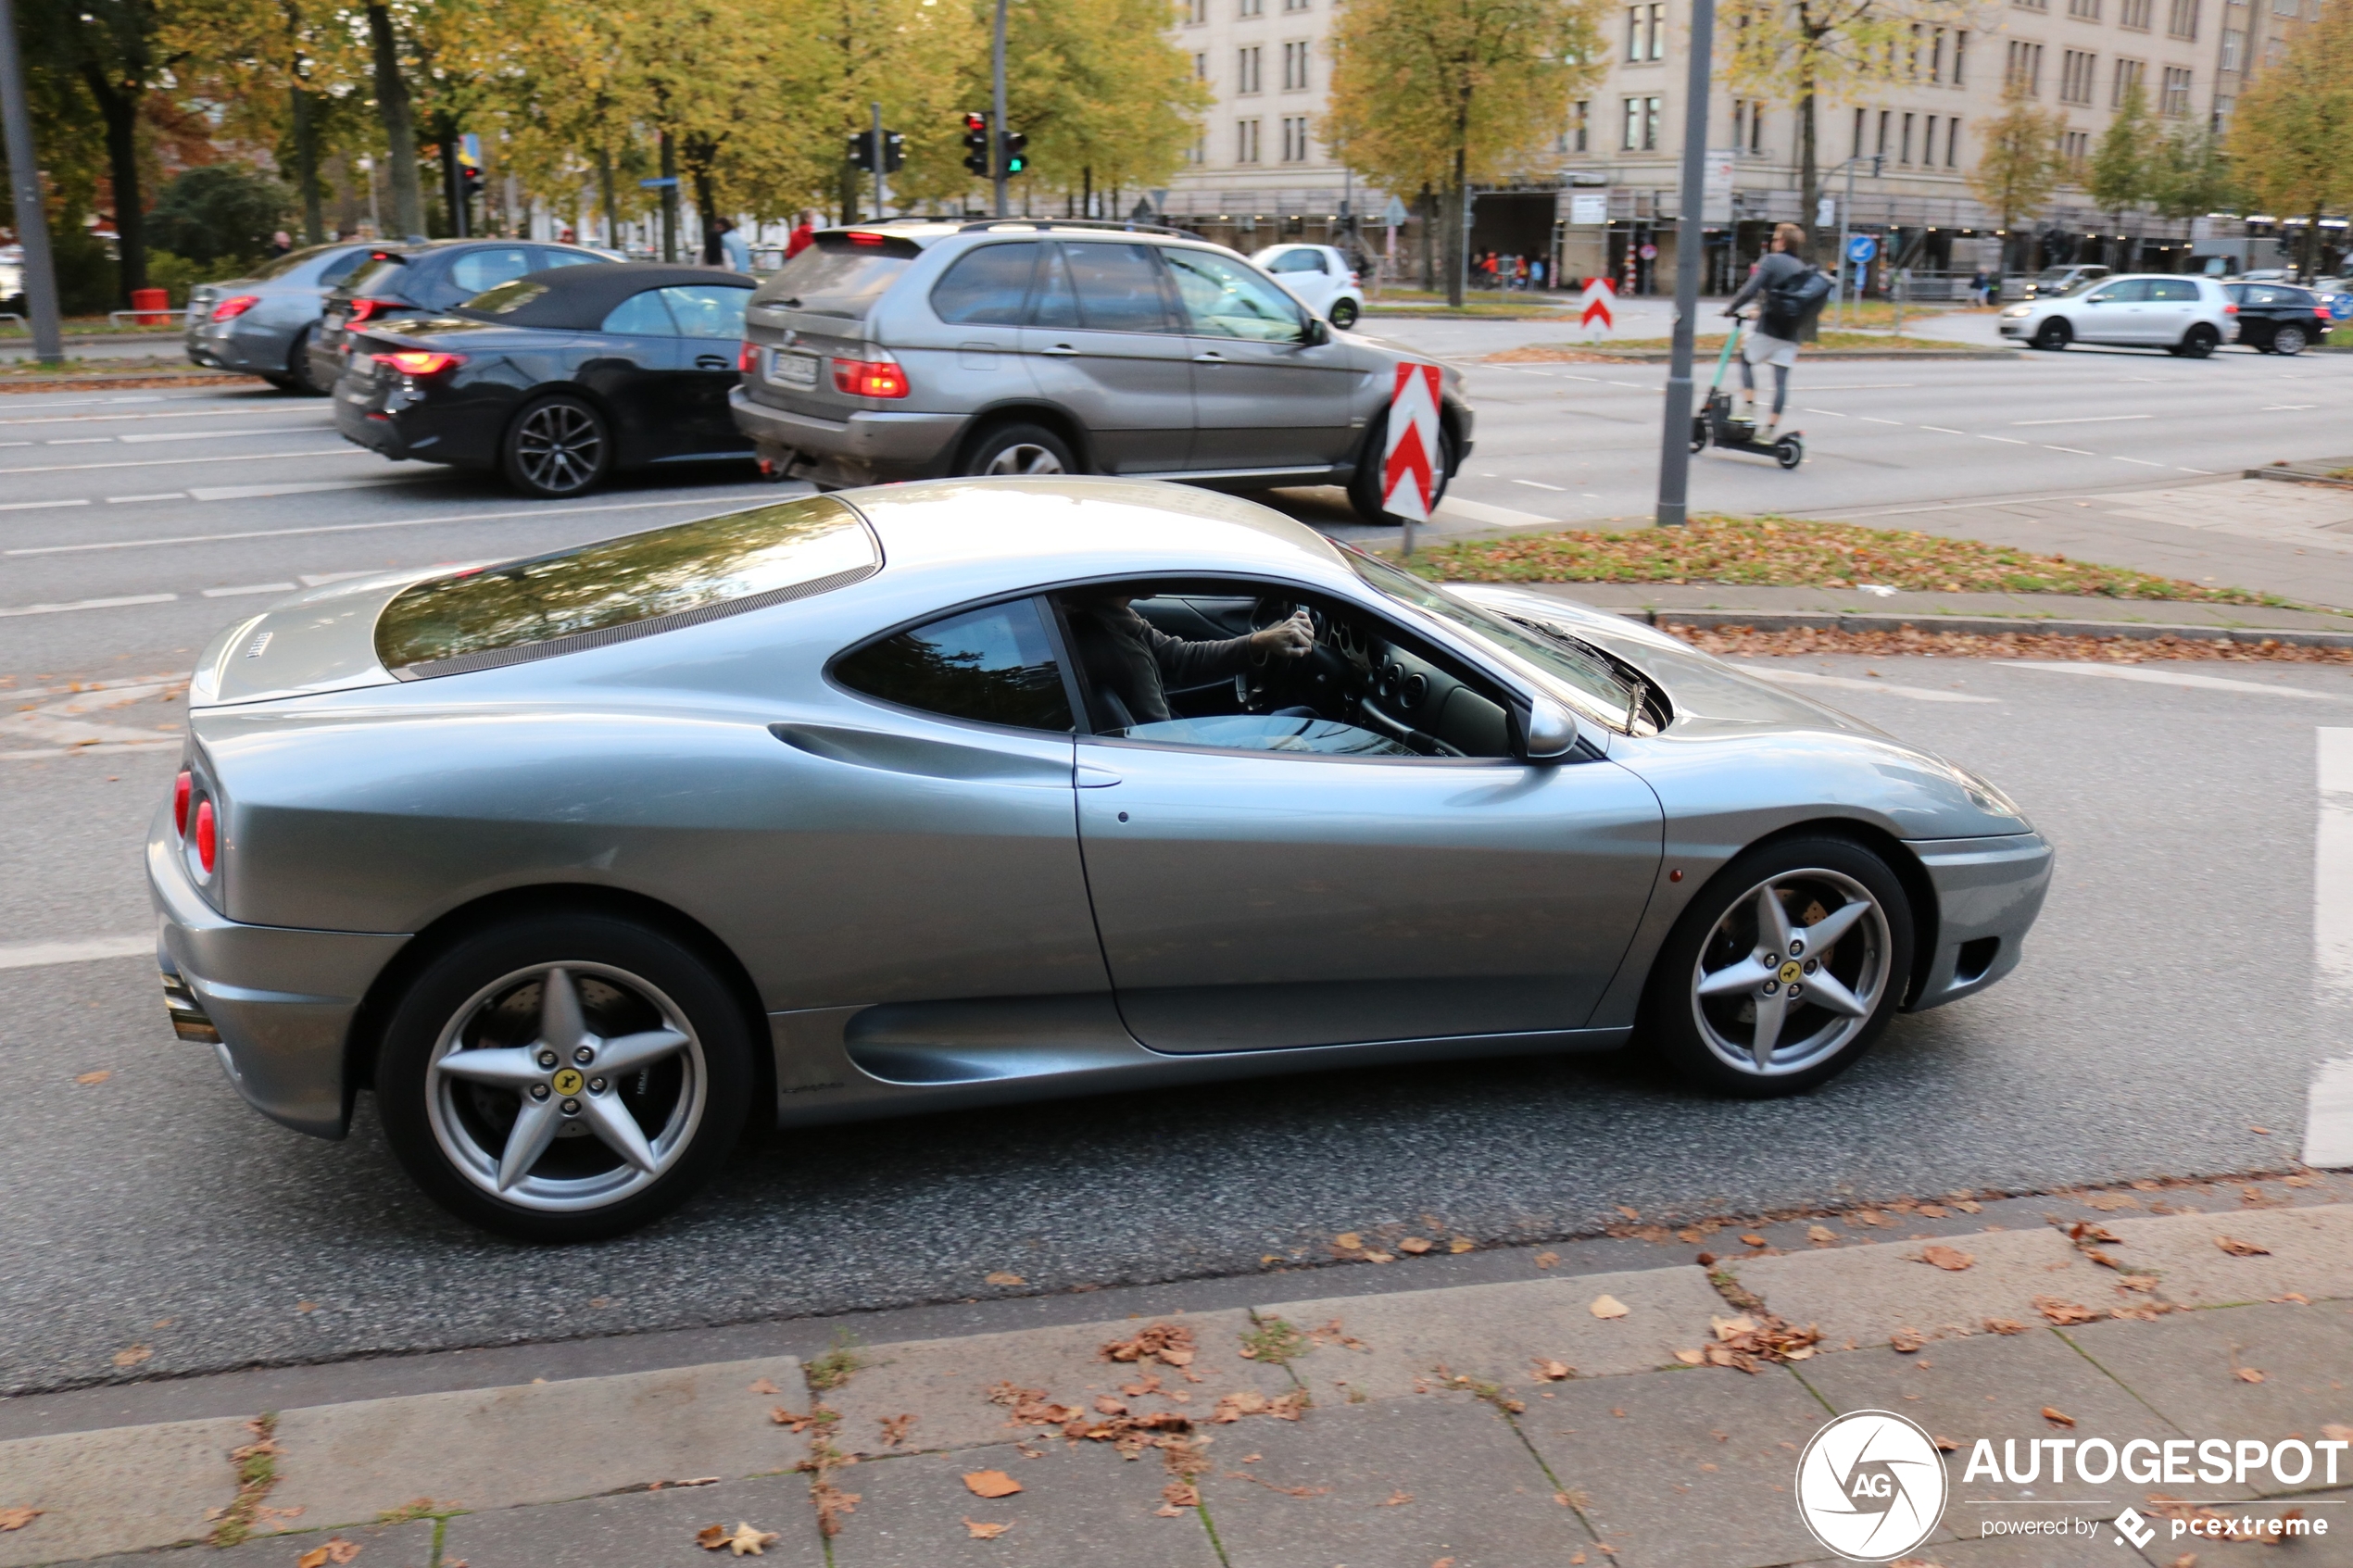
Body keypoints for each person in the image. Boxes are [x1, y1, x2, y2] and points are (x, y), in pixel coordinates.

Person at [1063, 592, 1315, 728]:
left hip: (1176, 739)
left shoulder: (1108, 617)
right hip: (1183, 760)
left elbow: (1180, 658)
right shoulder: (1124, 654)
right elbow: (1161, 743)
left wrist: (1260, 641)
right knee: (1304, 719)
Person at [1722, 221, 1820, 440]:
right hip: (1791, 334)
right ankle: (1769, 431)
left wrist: (1731, 309)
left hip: (1768, 329)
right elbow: (1785, 300)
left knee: (1746, 360)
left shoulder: (1771, 261)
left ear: (1782, 242)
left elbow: (1751, 289)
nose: (1773, 242)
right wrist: (1760, 308)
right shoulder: (1802, 269)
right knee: (1781, 383)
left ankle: (1748, 407)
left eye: (1775, 239)